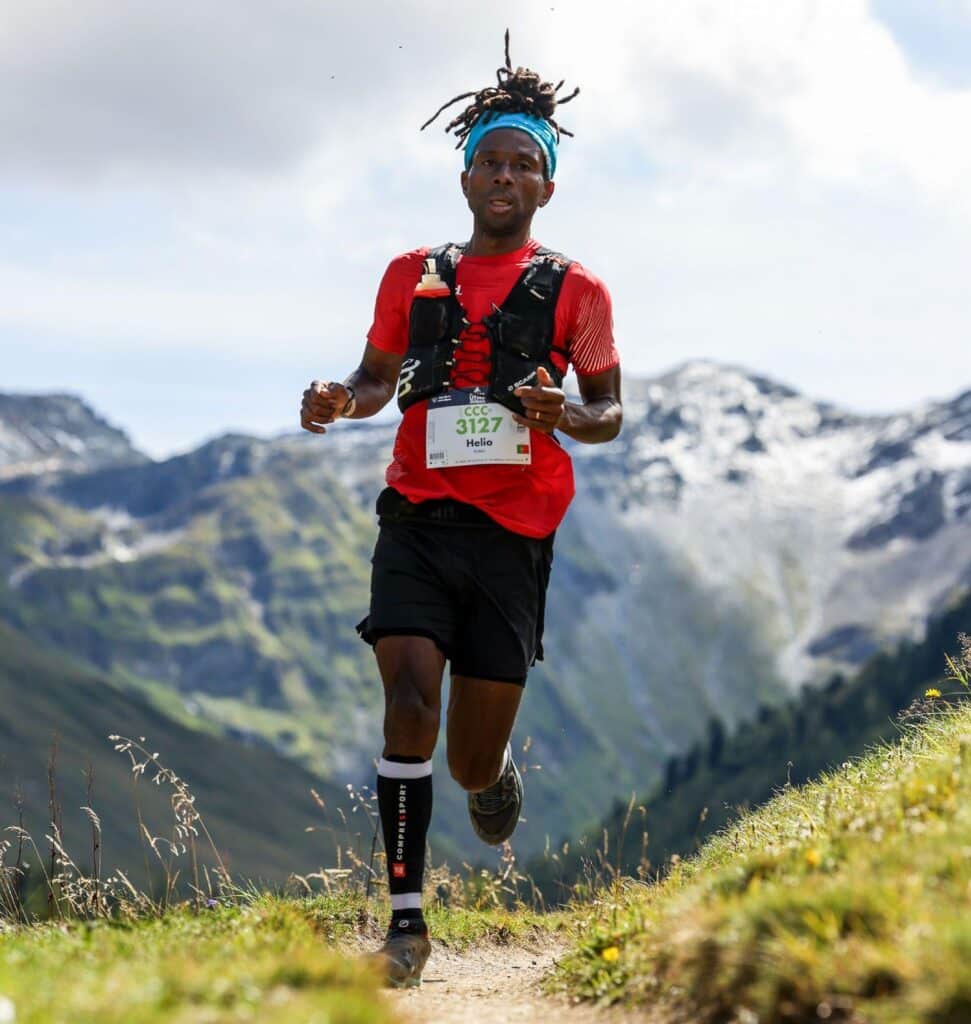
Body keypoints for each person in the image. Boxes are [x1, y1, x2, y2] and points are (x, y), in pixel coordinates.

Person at [299, 34, 622, 988]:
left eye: (525, 164)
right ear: (466, 171)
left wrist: (569, 412)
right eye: (490, 158)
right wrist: (338, 402)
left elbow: (609, 411)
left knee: (470, 763)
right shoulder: (411, 274)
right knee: (407, 706)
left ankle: (495, 770)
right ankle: (406, 923)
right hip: (416, 517)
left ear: (546, 188)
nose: (505, 176)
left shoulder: (579, 292)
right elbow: (372, 378)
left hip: (513, 534)